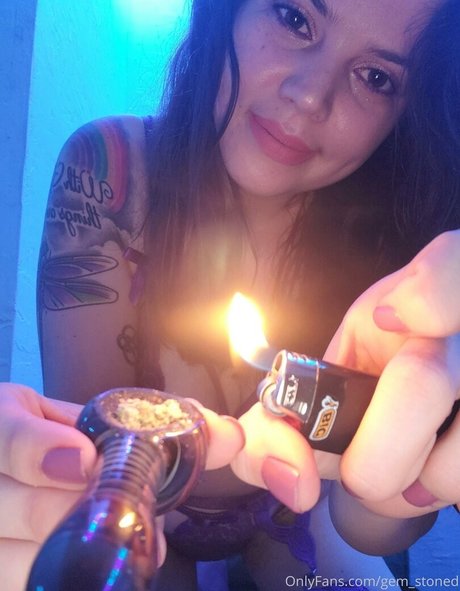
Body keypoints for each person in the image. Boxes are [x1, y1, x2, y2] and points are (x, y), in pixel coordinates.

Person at [1, 0, 460, 589]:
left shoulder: (405, 247)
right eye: (295, 19)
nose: (309, 96)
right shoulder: (110, 170)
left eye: (376, 77)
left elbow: (368, 526)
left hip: (291, 516)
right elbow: (98, 443)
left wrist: (394, 483)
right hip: (146, 517)